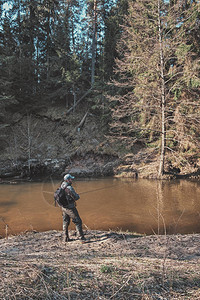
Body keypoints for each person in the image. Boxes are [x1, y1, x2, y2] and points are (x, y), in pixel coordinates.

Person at [61, 174, 86, 242]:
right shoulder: (69, 188)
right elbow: (76, 197)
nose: (72, 180)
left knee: (65, 222)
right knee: (78, 221)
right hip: (70, 208)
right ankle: (81, 238)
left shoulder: (62, 185)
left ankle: (65, 238)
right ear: (67, 180)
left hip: (63, 207)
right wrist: (78, 196)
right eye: (70, 179)